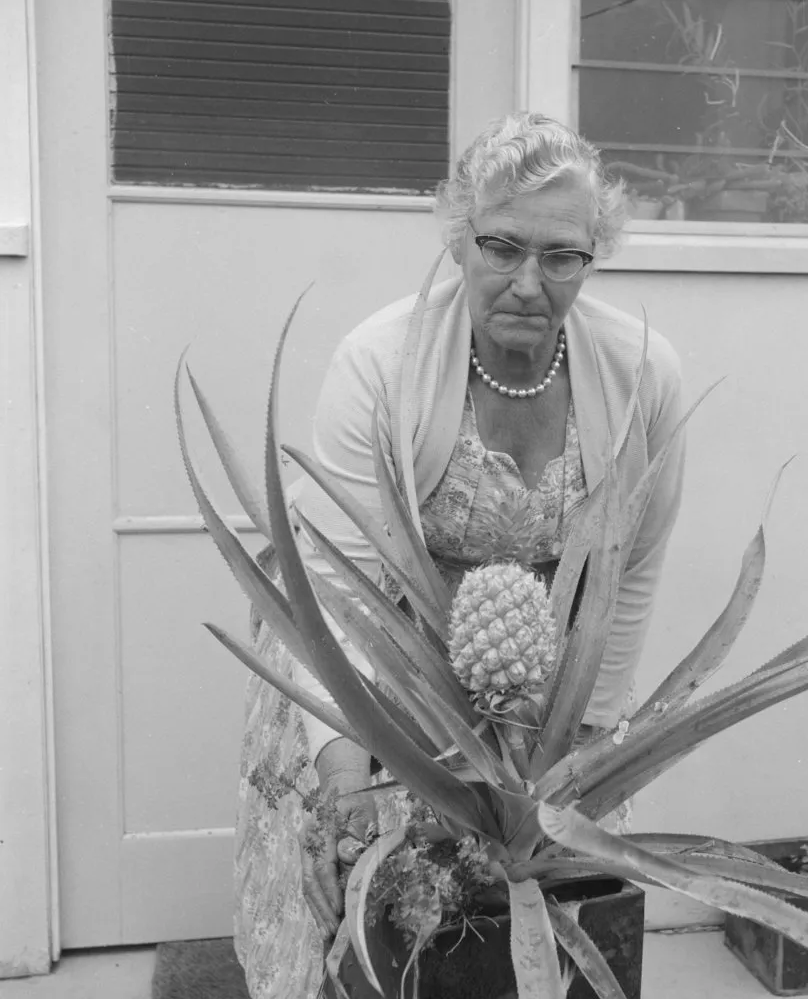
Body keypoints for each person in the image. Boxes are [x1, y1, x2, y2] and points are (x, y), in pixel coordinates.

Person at [233, 112, 686, 999]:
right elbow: (334, 589)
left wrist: (588, 746)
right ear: (458, 242)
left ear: (595, 256)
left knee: (541, 919)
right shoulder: (380, 362)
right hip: (370, 666)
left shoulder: (643, 373)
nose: (528, 281)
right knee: (366, 915)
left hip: (539, 686)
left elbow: (628, 576)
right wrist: (346, 769)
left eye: (562, 256)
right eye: (501, 246)